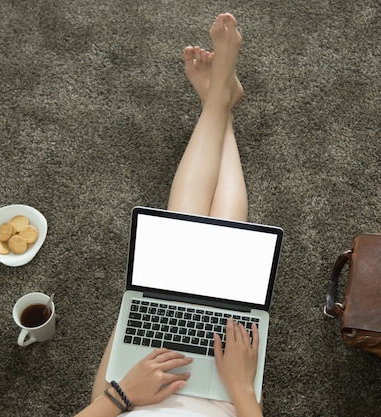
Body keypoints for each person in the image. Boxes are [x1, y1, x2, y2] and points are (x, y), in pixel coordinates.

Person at [76, 13, 262, 417]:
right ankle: (220, 103)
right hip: (218, 403)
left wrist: (119, 396)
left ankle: (220, 102)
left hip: (127, 402)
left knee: (176, 261)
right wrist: (242, 391)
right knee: (218, 243)